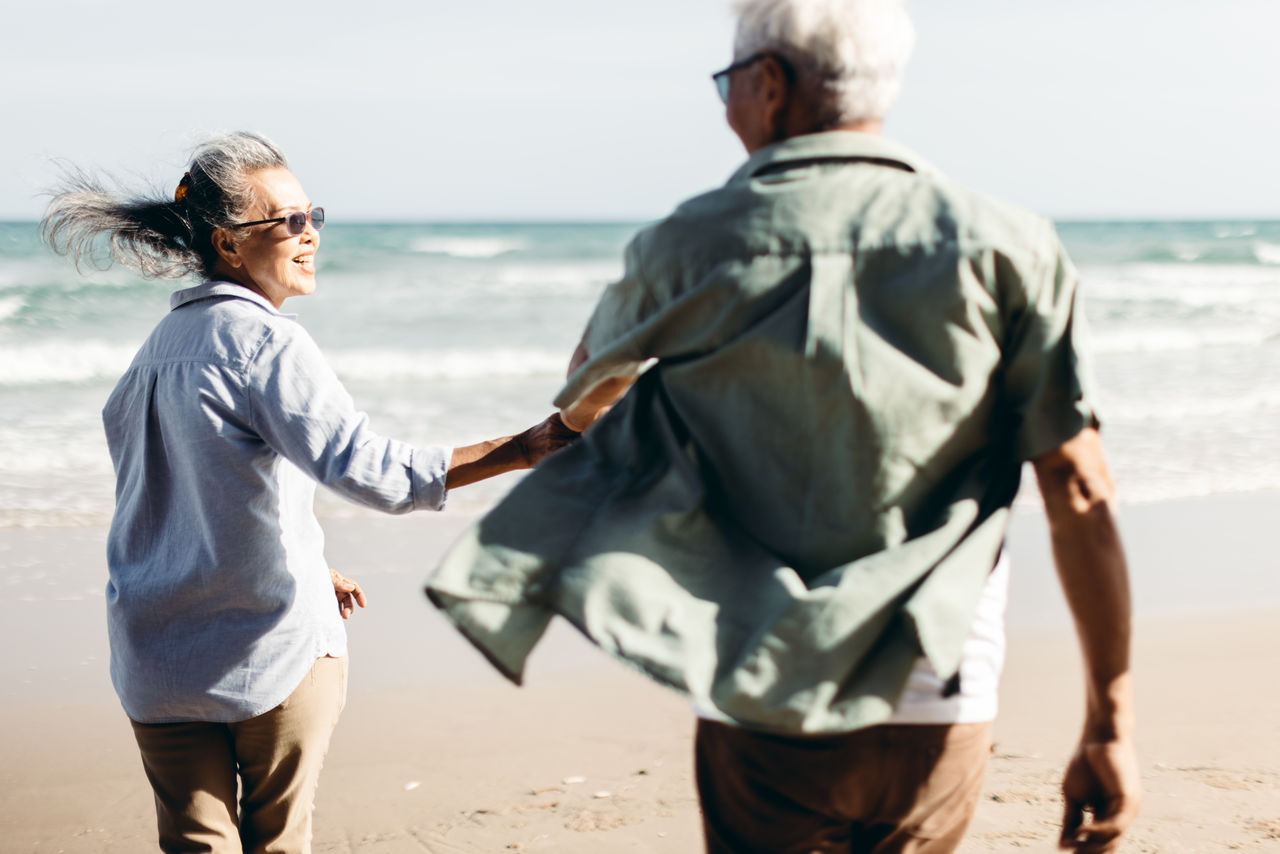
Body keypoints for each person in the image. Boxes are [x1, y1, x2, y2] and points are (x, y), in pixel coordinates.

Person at [426, 1, 1140, 851]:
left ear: (770, 85)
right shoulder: (1009, 243)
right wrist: (1108, 725)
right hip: (938, 684)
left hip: (762, 681)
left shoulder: (688, 243)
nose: (726, 101)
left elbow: (587, 400)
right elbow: (1078, 484)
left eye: (728, 81)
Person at [41, 131, 578, 854]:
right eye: (288, 221)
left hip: (156, 657)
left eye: (312, 215)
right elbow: (376, 474)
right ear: (230, 246)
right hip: (270, 650)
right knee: (279, 842)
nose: (311, 235)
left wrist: (304, 558)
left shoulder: (156, 351)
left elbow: (180, 501)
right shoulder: (267, 343)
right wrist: (527, 447)